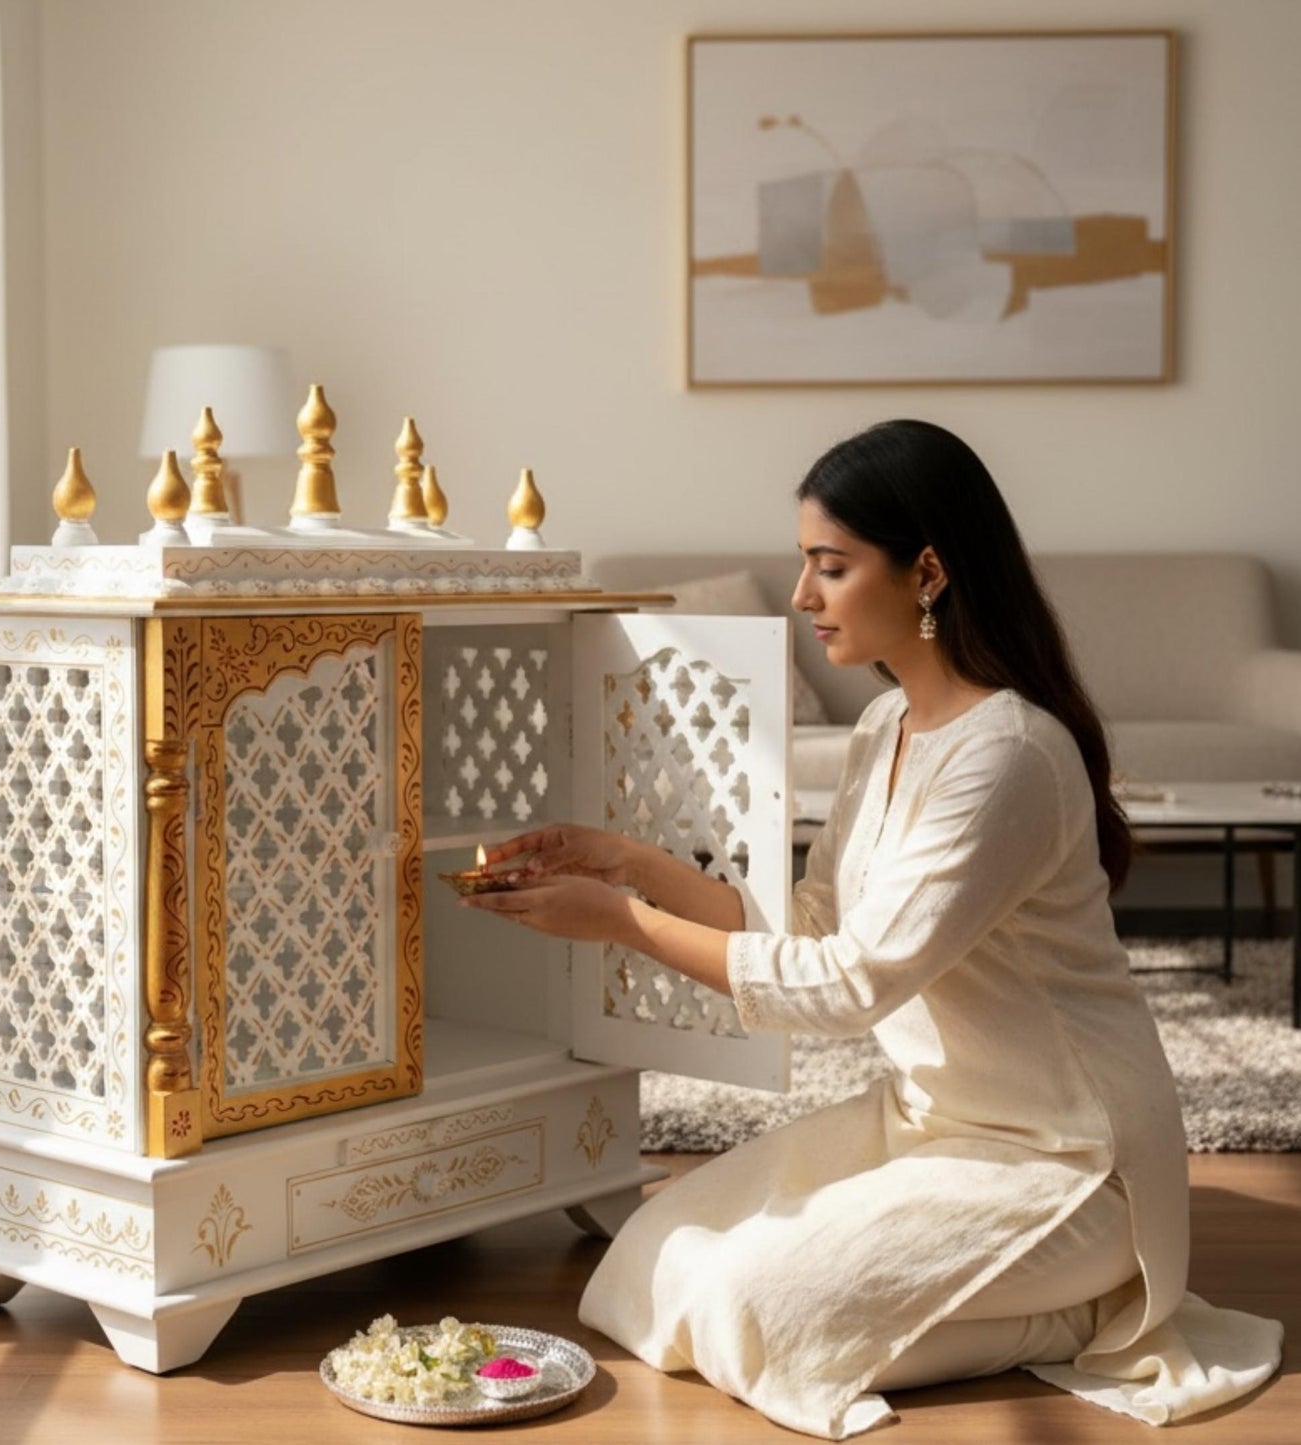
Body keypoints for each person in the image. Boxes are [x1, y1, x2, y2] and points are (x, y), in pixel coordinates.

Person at [461, 420, 1283, 1439]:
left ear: (926, 570)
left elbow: (845, 985)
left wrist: (618, 921)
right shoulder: (881, 728)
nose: (801, 596)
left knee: (743, 1304)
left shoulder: (1009, 756)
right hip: (929, 1122)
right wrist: (626, 862)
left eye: (829, 565)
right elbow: (807, 924)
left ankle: (1095, 1300)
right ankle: (976, 1293)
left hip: (1068, 1159)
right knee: (650, 1253)